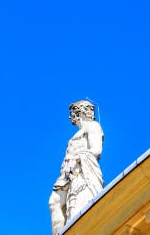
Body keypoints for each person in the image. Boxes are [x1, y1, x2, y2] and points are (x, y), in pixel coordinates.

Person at [49, 100, 104, 234]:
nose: (70, 117)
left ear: (81, 112)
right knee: (54, 203)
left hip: (81, 171)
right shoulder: (78, 133)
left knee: (77, 207)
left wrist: (77, 159)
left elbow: (96, 150)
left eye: (73, 113)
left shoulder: (93, 126)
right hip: (66, 175)